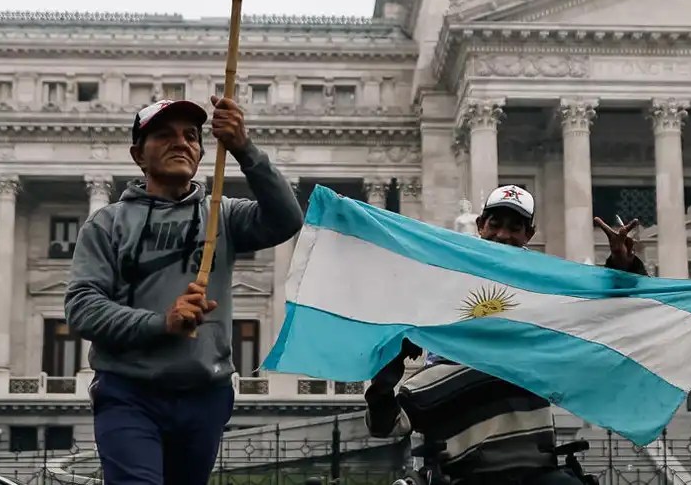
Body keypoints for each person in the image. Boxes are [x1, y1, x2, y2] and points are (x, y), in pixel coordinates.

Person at [66, 96, 303, 485]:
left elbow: (286, 219)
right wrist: (162, 322)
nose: (181, 143)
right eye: (164, 135)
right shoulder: (106, 225)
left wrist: (245, 148)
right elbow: (82, 308)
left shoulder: (222, 215)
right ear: (138, 155)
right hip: (129, 392)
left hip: (204, 394)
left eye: (191, 136)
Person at [364, 185, 645, 485]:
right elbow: (386, 425)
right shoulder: (444, 298)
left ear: (530, 235)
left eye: (515, 227)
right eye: (495, 224)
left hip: (535, 469)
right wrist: (386, 371)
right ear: (480, 226)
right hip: (462, 471)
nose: (502, 235)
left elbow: (603, 317)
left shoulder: (540, 297)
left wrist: (623, 266)